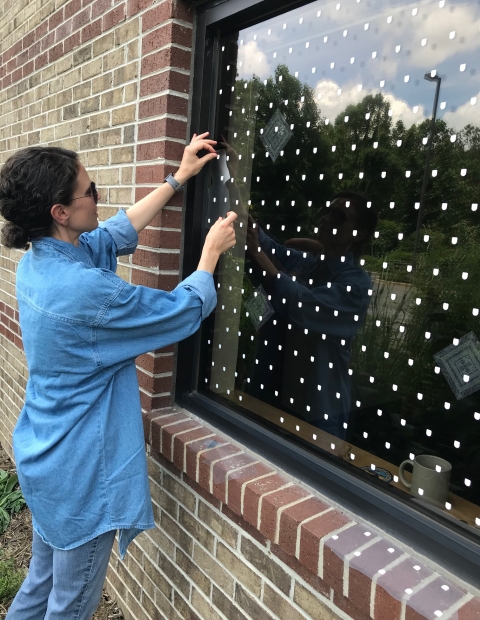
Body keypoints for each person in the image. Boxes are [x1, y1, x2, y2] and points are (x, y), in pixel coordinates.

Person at [0, 133, 236, 619]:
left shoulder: (42, 261)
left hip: (46, 458)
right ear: (59, 212)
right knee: (69, 606)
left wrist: (178, 178)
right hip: (81, 474)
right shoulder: (83, 291)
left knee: (40, 584)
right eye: (91, 192)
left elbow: (111, 233)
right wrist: (210, 255)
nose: (98, 197)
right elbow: (178, 312)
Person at [245, 193, 377, 439]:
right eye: (327, 211)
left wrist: (259, 255)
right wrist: (233, 179)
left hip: (317, 413)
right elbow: (263, 242)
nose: (327, 219)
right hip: (275, 394)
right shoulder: (308, 263)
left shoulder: (356, 285)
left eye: (339, 218)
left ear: (359, 235)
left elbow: (305, 305)